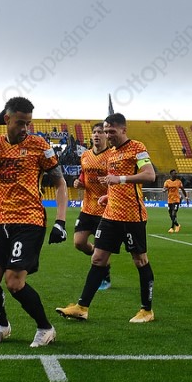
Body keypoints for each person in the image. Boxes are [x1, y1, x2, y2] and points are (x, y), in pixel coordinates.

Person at [0, 96, 67, 348]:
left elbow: (60, 183)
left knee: (14, 282)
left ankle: (45, 328)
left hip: (30, 220)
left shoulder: (39, 145)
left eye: (28, 123)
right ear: (7, 119)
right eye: (20, 122)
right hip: (0, 220)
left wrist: (61, 221)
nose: (25, 128)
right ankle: (2, 325)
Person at [56, 113, 156, 324]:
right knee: (98, 258)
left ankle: (147, 310)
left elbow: (149, 175)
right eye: (106, 131)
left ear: (123, 130)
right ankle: (82, 307)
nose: (108, 135)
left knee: (140, 260)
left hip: (132, 215)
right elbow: (113, 184)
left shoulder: (137, 148)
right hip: (110, 214)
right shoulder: (111, 154)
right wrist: (108, 196)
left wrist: (120, 179)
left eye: (111, 131)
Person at [73, 123, 111, 290]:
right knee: (79, 243)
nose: (96, 135)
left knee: (101, 248)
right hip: (87, 208)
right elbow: (83, 175)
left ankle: (104, 273)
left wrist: (109, 183)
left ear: (106, 135)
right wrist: (79, 183)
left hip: (105, 209)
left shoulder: (112, 156)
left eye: (100, 132)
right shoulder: (85, 155)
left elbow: (117, 179)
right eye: (94, 132)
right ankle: (101, 257)